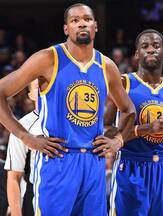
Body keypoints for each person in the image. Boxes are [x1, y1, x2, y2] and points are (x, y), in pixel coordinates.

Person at [0, 3, 135, 216]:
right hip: (57, 159)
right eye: (75, 20)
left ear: (96, 26)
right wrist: (25, 137)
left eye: (87, 19)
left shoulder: (106, 66)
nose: (82, 23)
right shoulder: (47, 58)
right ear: (66, 29)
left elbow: (128, 110)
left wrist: (118, 140)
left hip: (93, 162)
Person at [107, 29, 163, 216]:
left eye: (156, 46)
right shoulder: (122, 84)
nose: (151, 50)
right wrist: (148, 128)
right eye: (145, 46)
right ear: (137, 54)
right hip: (130, 166)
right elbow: (104, 132)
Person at [4, 80, 40, 216]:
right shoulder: (23, 125)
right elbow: (14, 177)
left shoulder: (69, 121)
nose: (44, 89)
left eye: (47, 84)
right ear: (31, 95)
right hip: (35, 194)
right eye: (38, 87)